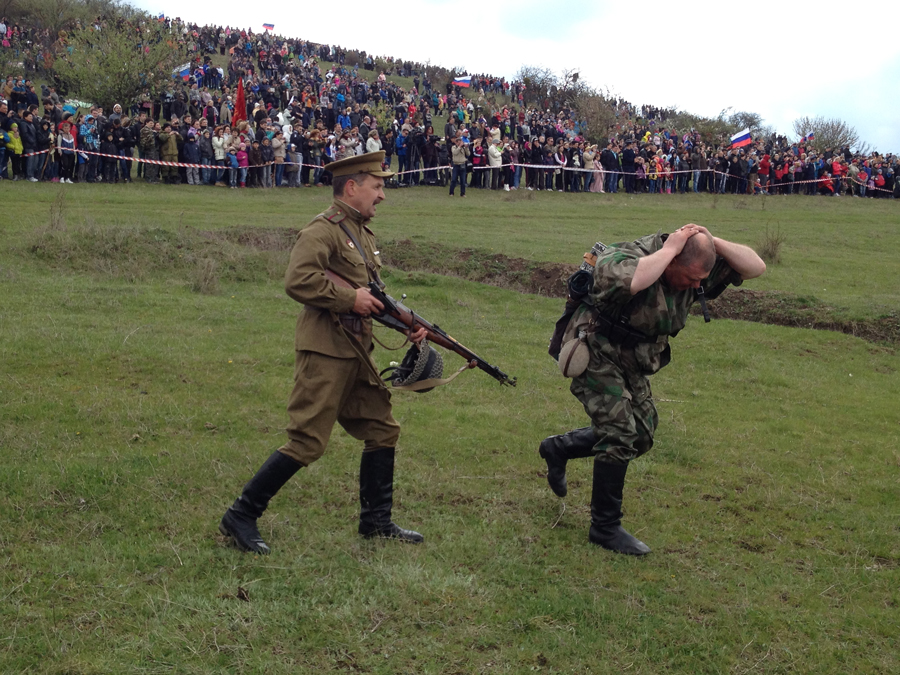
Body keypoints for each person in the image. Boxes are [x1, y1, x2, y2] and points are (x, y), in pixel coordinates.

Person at [219, 150, 427, 554]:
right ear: (351, 187)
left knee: (382, 430)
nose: (382, 195)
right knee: (307, 441)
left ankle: (376, 522)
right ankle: (241, 515)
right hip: (326, 351)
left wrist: (407, 326)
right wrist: (349, 299)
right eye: (376, 186)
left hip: (357, 350)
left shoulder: (361, 232)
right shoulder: (323, 230)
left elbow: (373, 298)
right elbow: (298, 280)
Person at [539, 225, 766, 555]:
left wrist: (708, 240)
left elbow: (756, 266)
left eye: (701, 280)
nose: (698, 287)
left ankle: (558, 449)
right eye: (692, 279)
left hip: (633, 359)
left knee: (641, 435)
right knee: (619, 432)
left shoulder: (692, 265)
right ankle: (604, 527)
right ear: (671, 261)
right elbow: (633, 281)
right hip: (596, 348)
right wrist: (671, 248)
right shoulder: (625, 257)